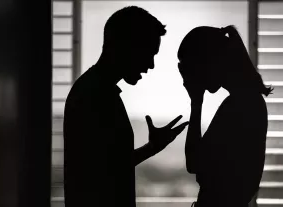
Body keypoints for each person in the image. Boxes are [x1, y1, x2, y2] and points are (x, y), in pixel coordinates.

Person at [63, 6, 189, 207]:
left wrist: (152, 148)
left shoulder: (95, 90)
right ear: (127, 46)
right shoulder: (95, 95)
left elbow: (109, 165)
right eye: (149, 53)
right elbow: (101, 174)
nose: (151, 65)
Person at [177, 25, 272, 207]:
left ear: (209, 61)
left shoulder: (240, 105)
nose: (193, 76)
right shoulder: (246, 100)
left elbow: (194, 163)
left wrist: (196, 103)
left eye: (193, 67)